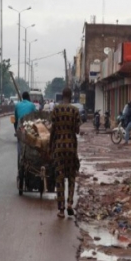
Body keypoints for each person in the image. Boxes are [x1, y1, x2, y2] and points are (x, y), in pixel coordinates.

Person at [50, 87, 81, 218]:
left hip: (58, 148)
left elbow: (53, 130)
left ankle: (61, 210)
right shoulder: (75, 110)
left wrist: (50, 147)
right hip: (71, 148)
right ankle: (69, 203)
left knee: (60, 178)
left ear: (62, 96)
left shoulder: (56, 110)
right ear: (71, 96)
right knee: (72, 177)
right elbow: (77, 130)